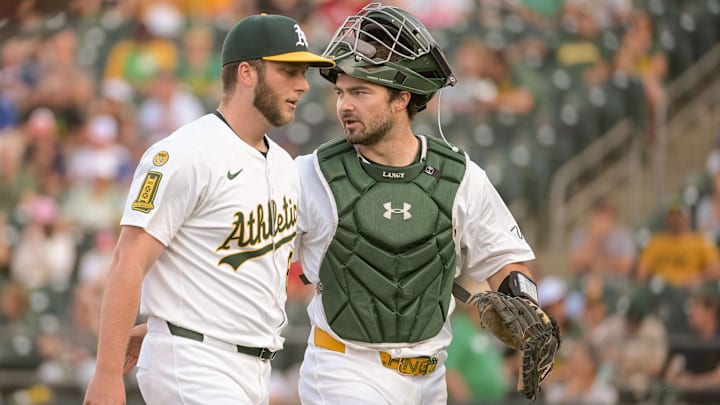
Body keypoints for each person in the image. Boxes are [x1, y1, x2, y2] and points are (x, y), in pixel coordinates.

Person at [293, 3, 552, 403]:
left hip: (430, 378)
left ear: (402, 97)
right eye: (341, 92)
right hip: (343, 369)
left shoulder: (459, 175)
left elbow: (505, 258)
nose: (344, 105)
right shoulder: (310, 174)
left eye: (360, 91)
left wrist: (525, 305)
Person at [82, 13, 334, 405]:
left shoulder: (284, 165)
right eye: (289, 71)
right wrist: (107, 372)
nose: (303, 85)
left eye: (304, 73)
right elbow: (127, 261)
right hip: (195, 363)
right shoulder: (184, 153)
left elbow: (227, 273)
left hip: (249, 367)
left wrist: (159, 326)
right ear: (247, 73)